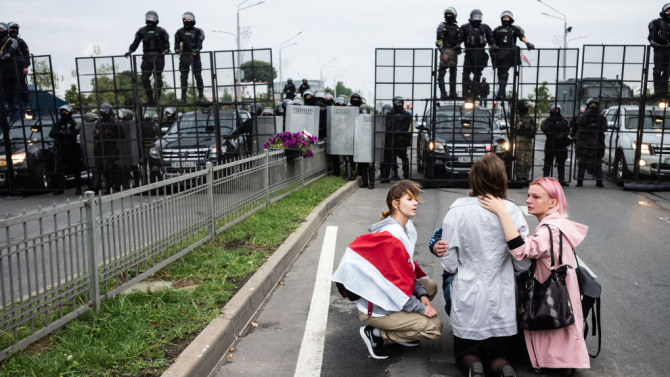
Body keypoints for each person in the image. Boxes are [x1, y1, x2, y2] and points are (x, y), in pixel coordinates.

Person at [478, 177, 591, 373]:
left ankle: (560, 364)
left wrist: (502, 213)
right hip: (565, 287)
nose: (529, 200)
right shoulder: (557, 224)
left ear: (553, 202)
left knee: (554, 322)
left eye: (536, 197)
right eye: (528, 195)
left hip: (551, 287)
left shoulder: (549, 230)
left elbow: (521, 251)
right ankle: (563, 362)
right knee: (562, 325)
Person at [441, 153, 531, 377]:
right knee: (499, 353)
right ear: (502, 179)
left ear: (473, 179)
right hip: (503, 295)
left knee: (467, 352)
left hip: (469, 293)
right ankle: (503, 368)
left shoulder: (457, 211)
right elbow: (522, 264)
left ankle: (473, 368)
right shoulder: (511, 211)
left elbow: (450, 263)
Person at [331, 180, 442, 360]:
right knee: (434, 327)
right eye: (410, 199)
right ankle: (375, 333)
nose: (416, 203)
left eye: (416, 199)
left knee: (428, 287)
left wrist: (421, 295)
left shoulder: (406, 228)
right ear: (395, 204)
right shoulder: (392, 236)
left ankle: (401, 328)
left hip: (387, 297)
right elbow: (394, 286)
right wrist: (421, 309)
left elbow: (406, 271)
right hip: (376, 308)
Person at [125, 10, 170, 105]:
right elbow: (135, 42)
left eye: (152, 17)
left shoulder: (161, 31)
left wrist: (166, 50)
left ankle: (157, 99)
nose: (149, 19)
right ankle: (150, 98)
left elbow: (166, 42)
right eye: (148, 17)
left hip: (158, 56)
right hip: (147, 56)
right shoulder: (142, 31)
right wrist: (130, 51)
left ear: (156, 19)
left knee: (157, 78)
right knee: (144, 77)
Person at [491, 11, 534, 100]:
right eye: (504, 18)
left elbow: (521, 36)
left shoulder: (514, 29)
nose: (505, 19)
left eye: (507, 17)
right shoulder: (497, 29)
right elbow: (491, 40)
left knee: (503, 74)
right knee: (500, 74)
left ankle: (500, 94)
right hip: (499, 54)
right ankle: (502, 93)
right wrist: (492, 49)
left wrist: (527, 43)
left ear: (510, 19)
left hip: (509, 54)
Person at [457, 10, 496, 100]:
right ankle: (465, 93)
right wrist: (458, 45)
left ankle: (475, 93)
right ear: (471, 17)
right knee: (466, 74)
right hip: (469, 53)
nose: (476, 18)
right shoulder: (465, 27)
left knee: (477, 74)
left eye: (478, 16)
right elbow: (460, 38)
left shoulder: (484, 27)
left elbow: (490, 38)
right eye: (475, 16)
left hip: (480, 53)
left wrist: (493, 45)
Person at [49, 105, 82, 195]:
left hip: (72, 149)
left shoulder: (74, 123)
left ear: (70, 112)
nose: (64, 113)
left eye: (66, 112)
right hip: (61, 149)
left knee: (75, 169)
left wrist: (63, 133)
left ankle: (78, 188)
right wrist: (59, 131)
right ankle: (60, 188)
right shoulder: (58, 123)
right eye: (62, 111)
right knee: (60, 170)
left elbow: (74, 133)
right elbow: (51, 134)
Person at [574, 98, 607, 187]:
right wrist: (588, 122)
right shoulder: (583, 116)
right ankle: (579, 182)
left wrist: (597, 126)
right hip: (585, 143)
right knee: (582, 163)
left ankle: (599, 181)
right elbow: (580, 126)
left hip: (597, 143)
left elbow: (604, 128)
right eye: (591, 105)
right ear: (588, 106)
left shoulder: (600, 117)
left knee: (597, 164)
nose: (593, 106)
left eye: (594, 105)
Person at [93, 103, 125, 194]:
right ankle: (96, 187)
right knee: (98, 166)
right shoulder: (99, 122)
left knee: (110, 167)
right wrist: (96, 134)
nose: (103, 112)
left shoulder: (114, 122)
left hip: (110, 147)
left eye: (105, 110)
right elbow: (96, 135)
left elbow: (122, 135)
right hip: (100, 147)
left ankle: (110, 186)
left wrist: (110, 133)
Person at [175, 12, 206, 104]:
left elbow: (200, 43)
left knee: (198, 75)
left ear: (192, 20)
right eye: (185, 19)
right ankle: (183, 98)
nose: (186, 21)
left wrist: (197, 49)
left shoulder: (198, 31)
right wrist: (177, 50)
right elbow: (176, 43)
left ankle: (200, 97)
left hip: (195, 56)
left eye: (188, 19)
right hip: (184, 56)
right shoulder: (179, 32)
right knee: (183, 77)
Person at [541, 103, 571, 186]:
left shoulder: (563, 121)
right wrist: (553, 134)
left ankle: (561, 180)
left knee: (561, 164)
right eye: (554, 110)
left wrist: (561, 135)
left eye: (557, 109)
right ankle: (545, 180)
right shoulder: (547, 121)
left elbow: (567, 130)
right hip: (550, 144)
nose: (556, 111)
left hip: (561, 145)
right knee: (547, 164)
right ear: (550, 111)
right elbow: (544, 129)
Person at [436, 7, 461, 99]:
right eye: (447, 14)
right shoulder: (442, 26)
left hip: (454, 52)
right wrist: (443, 53)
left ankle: (452, 93)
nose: (449, 16)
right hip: (445, 50)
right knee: (441, 73)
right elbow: (439, 41)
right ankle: (443, 93)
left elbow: (459, 39)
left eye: (450, 14)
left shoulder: (457, 28)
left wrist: (458, 46)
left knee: (453, 73)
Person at [648, 3, 670, 100]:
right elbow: (652, 35)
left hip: (669, 50)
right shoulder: (656, 22)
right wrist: (653, 42)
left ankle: (664, 92)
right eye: (668, 11)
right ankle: (657, 91)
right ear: (664, 12)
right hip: (659, 49)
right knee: (657, 71)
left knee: (667, 71)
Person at [389, 97, 412, 180]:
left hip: (402, 140)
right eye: (397, 103)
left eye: (400, 103)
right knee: (392, 157)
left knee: (404, 158)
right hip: (392, 139)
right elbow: (388, 125)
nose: (399, 105)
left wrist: (399, 133)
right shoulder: (390, 114)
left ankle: (406, 175)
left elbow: (407, 127)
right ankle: (394, 174)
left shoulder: (407, 115)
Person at [7, 22, 30, 109]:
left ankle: (26, 103)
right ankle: (12, 104)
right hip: (9, 67)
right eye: (12, 29)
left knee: (21, 85)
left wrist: (25, 66)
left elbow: (26, 54)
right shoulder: (6, 42)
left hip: (20, 67)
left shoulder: (20, 42)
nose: (14, 30)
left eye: (15, 29)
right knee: (9, 86)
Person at [514, 99, 538, 181]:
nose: (528, 106)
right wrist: (520, 126)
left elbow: (535, 127)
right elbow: (514, 127)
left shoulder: (529, 117)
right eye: (526, 105)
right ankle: (520, 177)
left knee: (528, 161)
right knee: (520, 160)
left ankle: (526, 176)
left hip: (528, 141)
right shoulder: (516, 116)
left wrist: (531, 130)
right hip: (520, 140)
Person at [0, 23, 20, 111]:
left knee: (13, 86)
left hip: (10, 66)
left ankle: (13, 104)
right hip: (1, 67)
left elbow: (13, 48)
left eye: (1, 30)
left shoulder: (11, 40)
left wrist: (8, 54)